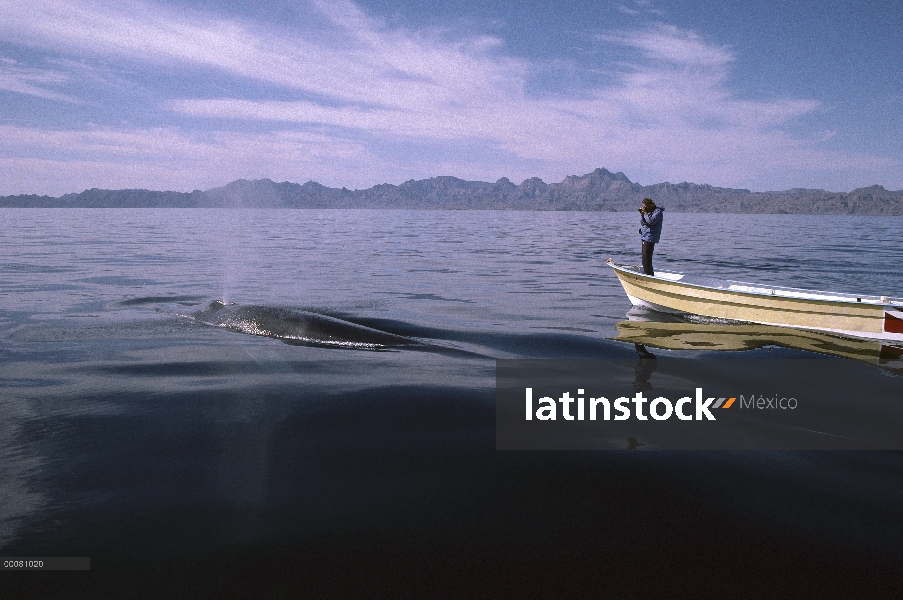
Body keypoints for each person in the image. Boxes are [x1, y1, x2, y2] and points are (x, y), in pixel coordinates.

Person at [637, 198, 664, 275]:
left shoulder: (657, 213)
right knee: (644, 259)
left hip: (650, 237)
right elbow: (643, 223)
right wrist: (642, 215)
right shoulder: (648, 213)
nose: (644, 208)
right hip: (645, 236)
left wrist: (645, 213)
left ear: (649, 205)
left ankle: (649, 276)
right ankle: (648, 274)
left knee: (647, 259)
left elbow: (650, 222)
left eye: (645, 206)